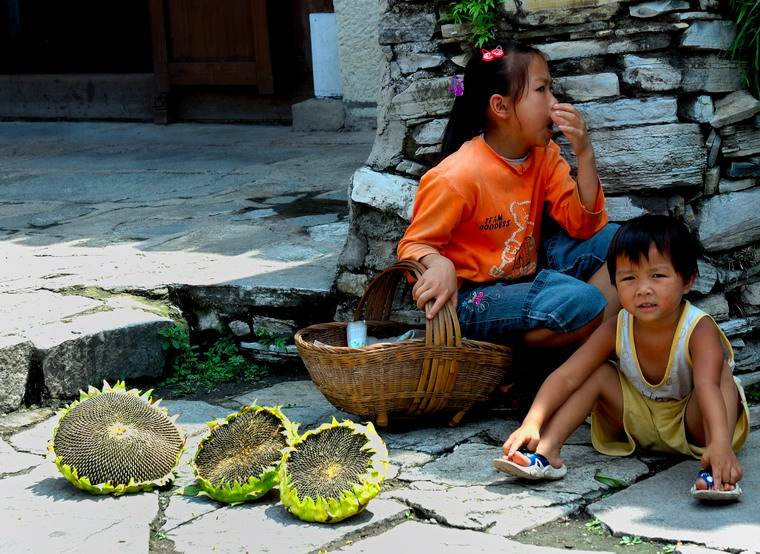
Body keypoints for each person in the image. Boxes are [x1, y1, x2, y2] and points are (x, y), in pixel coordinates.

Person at [495, 215, 750, 501]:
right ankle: (547, 452)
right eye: (629, 278)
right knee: (597, 371)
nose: (643, 289)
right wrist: (532, 422)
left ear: (687, 279)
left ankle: (718, 465)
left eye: (657, 276)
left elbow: (707, 387)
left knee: (721, 377)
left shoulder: (698, 328)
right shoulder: (617, 325)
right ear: (615, 284)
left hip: (694, 426)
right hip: (638, 422)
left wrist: (719, 443)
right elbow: (567, 375)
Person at [396, 41, 620, 356]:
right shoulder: (456, 177)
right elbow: (413, 246)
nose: (554, 103)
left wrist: (585, 154)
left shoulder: (543, 155)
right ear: (500, 107)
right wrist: (438, 262)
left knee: (626, 244)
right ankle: (519, 357)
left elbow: (584, 227)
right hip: (474, 301)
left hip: (527, 275)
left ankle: (576, 342)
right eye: (542, 90)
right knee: (582, 300)